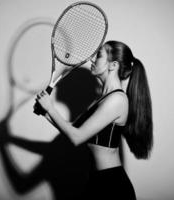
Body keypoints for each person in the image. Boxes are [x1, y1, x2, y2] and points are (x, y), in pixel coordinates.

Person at [35, 40, 153, 199]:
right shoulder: (101, 100)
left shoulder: (118, 100)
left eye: (98, 56)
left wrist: (50, 108)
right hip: (96, 181)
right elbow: (72, 130)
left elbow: (77, 137)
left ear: (113, 65)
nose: (91, 60)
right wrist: (45, 112)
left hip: (112, 186)